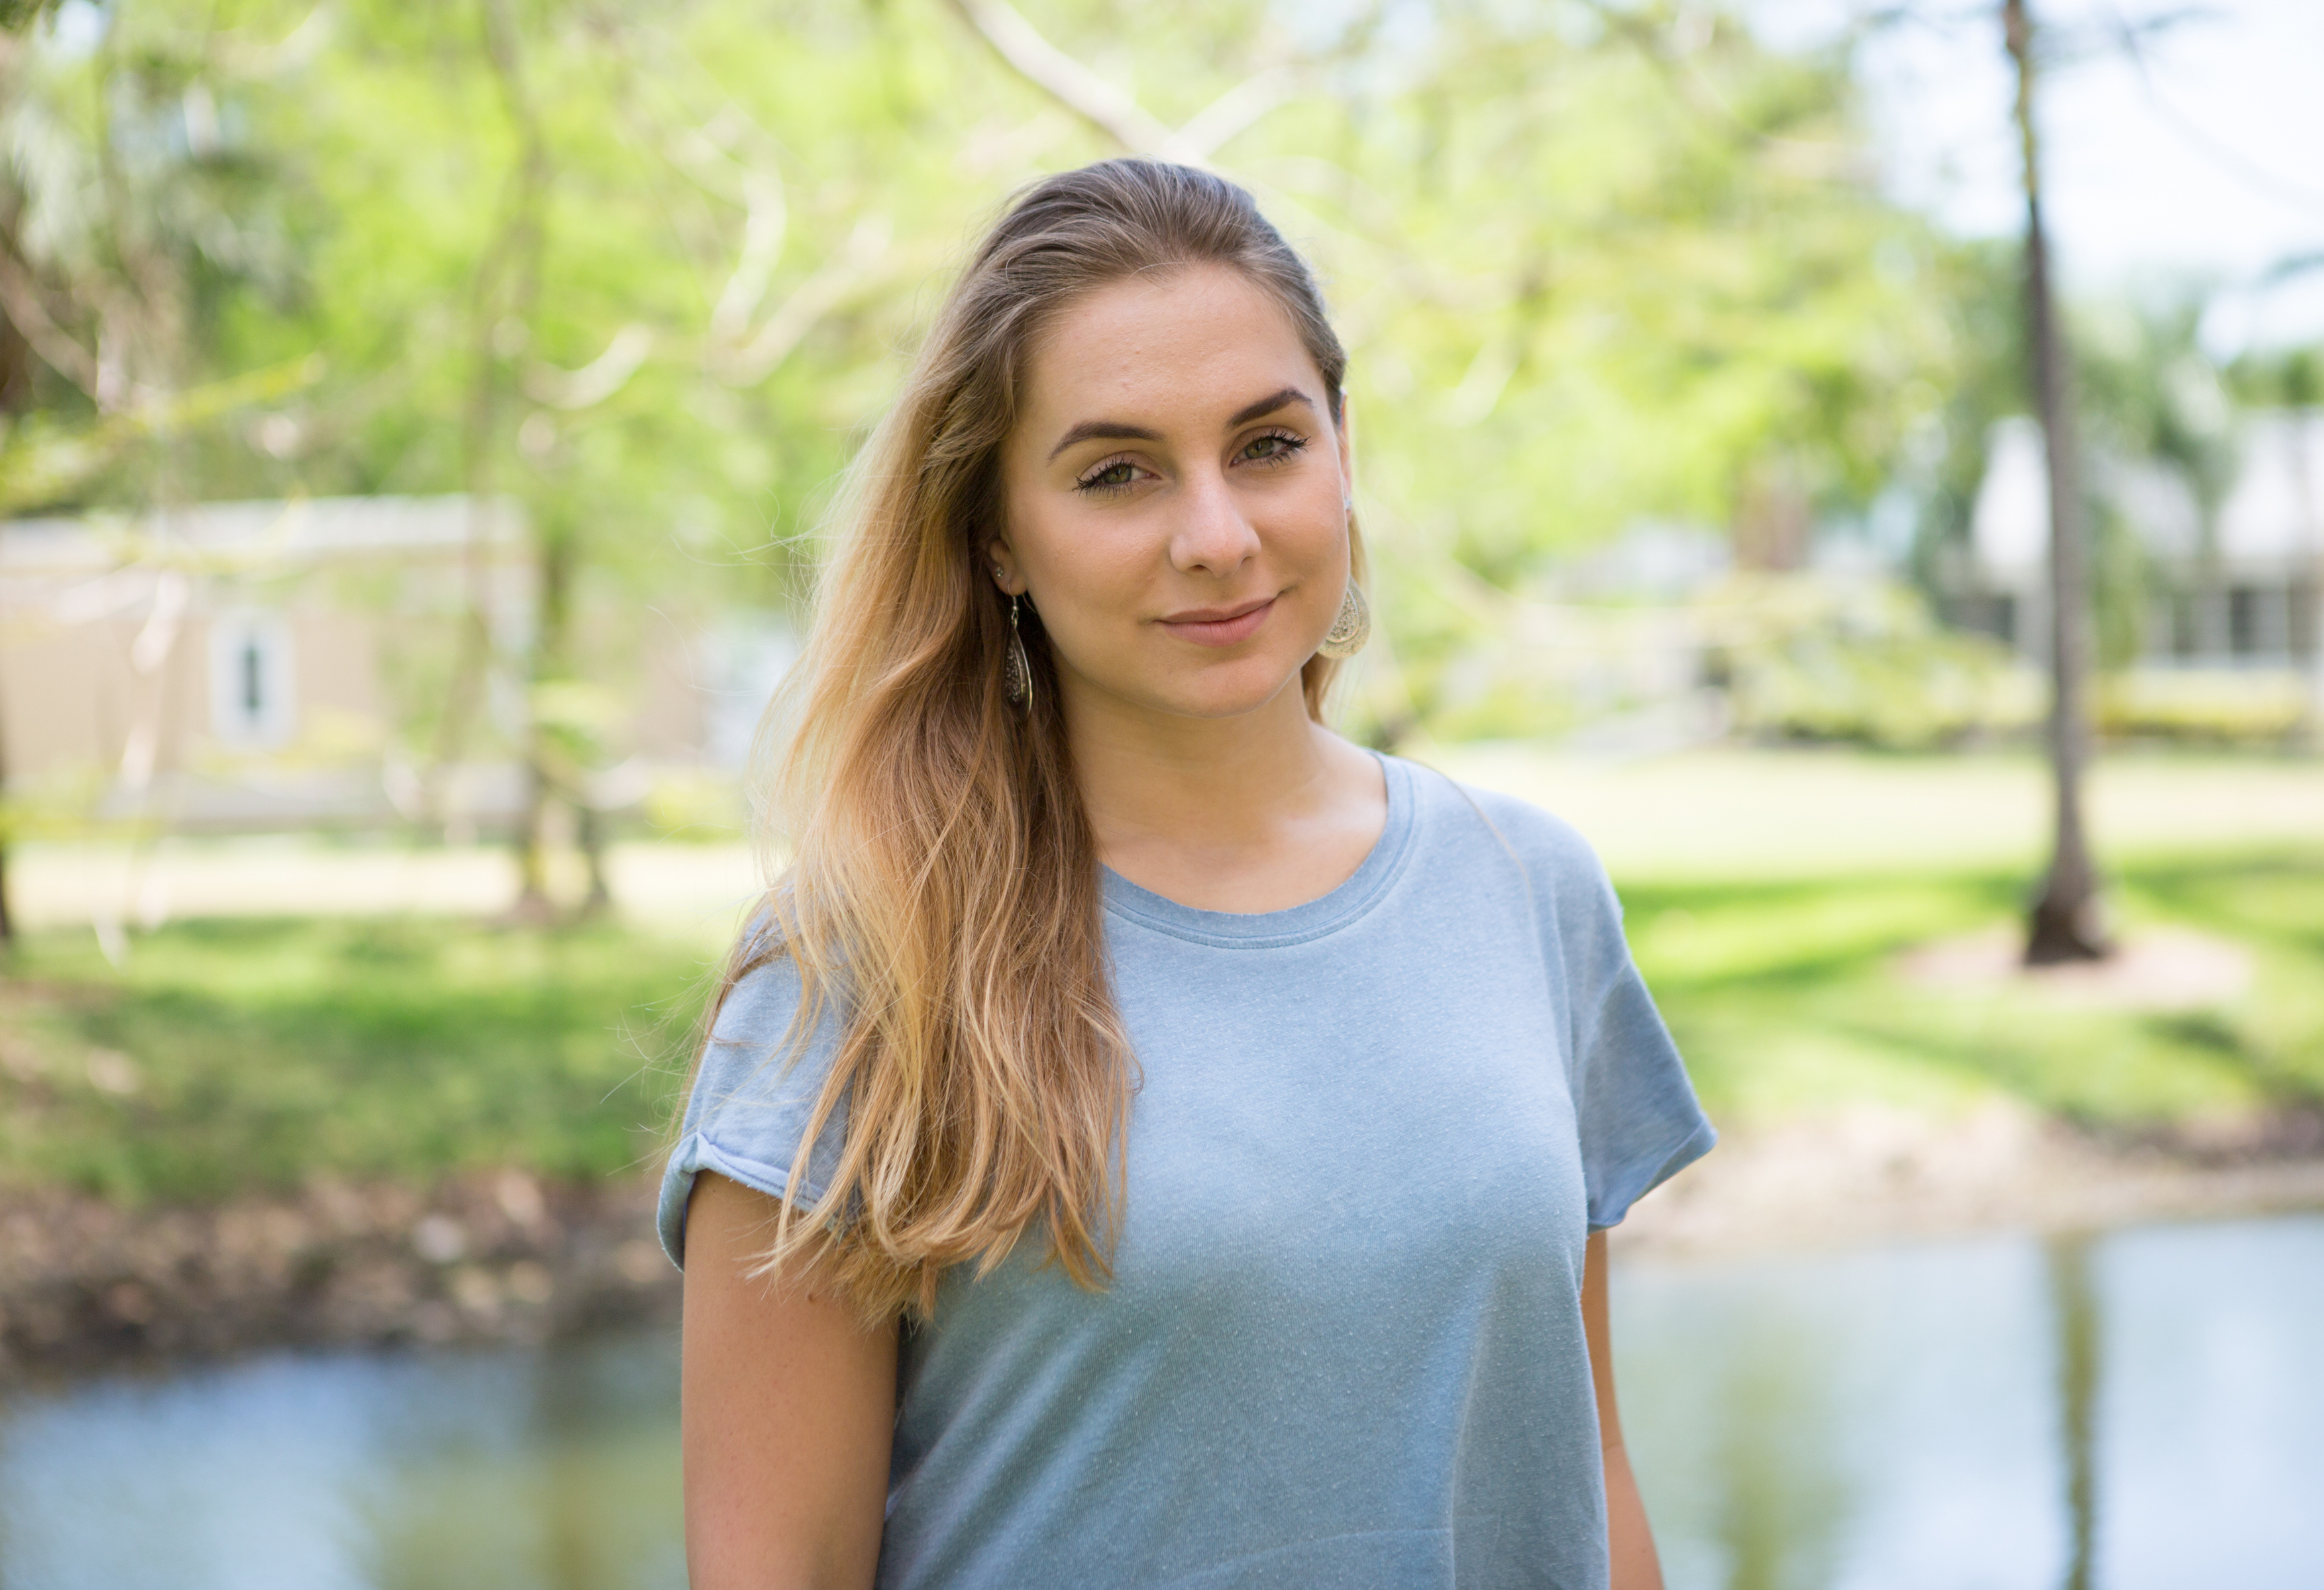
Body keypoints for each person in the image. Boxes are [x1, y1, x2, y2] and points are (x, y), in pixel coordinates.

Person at [662, 158, 1715, 1590]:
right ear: (996, 541)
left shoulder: (1524, 891)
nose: (1215, 537)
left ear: (1343, 446)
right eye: (1116, 473)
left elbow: (1581, 1465)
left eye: (1267, 445)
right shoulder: (858, 970)